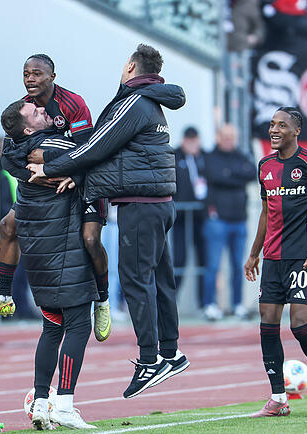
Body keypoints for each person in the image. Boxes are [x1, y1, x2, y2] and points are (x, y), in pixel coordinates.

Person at [26, 44, 190, 399]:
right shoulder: (153, 102)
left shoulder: (134, 102)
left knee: (135, 281)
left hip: (140, 206)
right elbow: (114, 155)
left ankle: (150, 360)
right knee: (160, 280)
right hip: (158, 203)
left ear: (131, 66)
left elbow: (97, 145)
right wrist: (82, 177)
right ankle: (171, 352)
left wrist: (52, 167)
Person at [0, 54, 113, 343]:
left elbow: (90, 151)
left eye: (36, 73)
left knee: (90, 240)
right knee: (7, 226)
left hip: (85, 182)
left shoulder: (73, 104)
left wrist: (70, 173)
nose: (30, 79)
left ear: (52, 76)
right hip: (49, 189)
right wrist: (37, 174)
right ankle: (3, 295)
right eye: (25, 74)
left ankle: (103, 301)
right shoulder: (25, 109)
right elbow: (8, 159)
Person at [0, 100, 99, 430]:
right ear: (28, 128)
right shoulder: (50, 144)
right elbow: (92, 150)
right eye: (35, 112)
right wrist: (77, 167)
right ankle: (65, 404)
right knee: (79, 325)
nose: (43, 110)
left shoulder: (14, 149)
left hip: (37, 257)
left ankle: (41, 402)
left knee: (52, 327)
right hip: (64, 249)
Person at [244, 107, 307, 417]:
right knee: (267, 324)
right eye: (272, 124)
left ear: (296, 131)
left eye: (282, 125)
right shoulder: (265, 166)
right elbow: (265, 212)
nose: (274, 130)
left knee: (300, 324)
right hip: (273, 259)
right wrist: (253, 254)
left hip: (302, 258)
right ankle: (278, 398)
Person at [201, 124, 256, 321]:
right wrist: (236, 176)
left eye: (232, 136)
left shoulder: (240, 156)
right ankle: (209, 304)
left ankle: (237, 304)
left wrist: (230, 174)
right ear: (218, 137)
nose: (229, 140)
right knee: (213, 265)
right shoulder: (210, 156)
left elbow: (251, 173)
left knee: (238, 265)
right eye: (225, 136)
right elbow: (216, 175)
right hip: (218, 220)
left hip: (239, 220)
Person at [172, 126, 206, 311]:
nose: (192, 143)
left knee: (204, 259)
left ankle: (204, 303)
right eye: (189, 140)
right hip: (181, 218)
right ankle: (172, 299)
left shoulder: (203, 157)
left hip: (200, 218)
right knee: (179, 259)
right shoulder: (175, 157)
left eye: (195, 140)